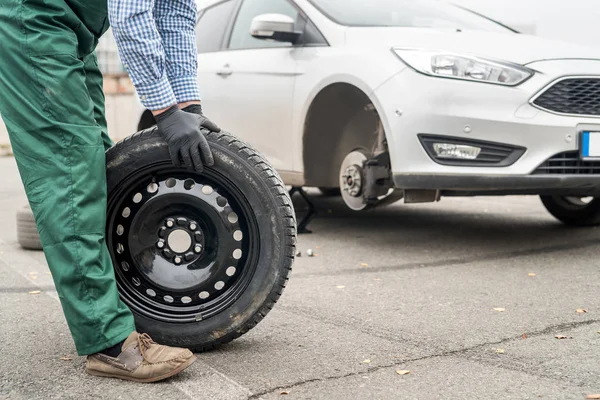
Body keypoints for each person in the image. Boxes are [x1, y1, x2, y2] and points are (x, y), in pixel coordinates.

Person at [0, 0, 219, 382]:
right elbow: (131, 12)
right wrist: (165, 112)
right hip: (31, 19)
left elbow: (176, 11)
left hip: (72, 28)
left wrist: (188, 104)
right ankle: (108, 342)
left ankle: (120, 308)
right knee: (72, 174)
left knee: (102, 163)